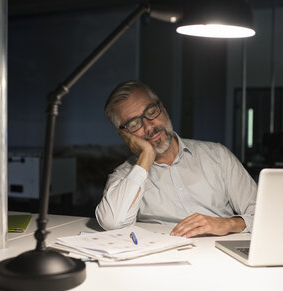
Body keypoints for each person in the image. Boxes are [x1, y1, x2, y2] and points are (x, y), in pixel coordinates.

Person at [95, 80, 257, 238]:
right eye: (134, 124)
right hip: (163, 258)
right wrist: (146, 156)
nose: (149, 127)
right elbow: (112, 223)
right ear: (124, 135)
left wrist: (228, 224)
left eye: (151, 112)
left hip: (218, 254)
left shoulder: (218, 155)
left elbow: (264, 213)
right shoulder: (125, 175)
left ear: (163, 108)